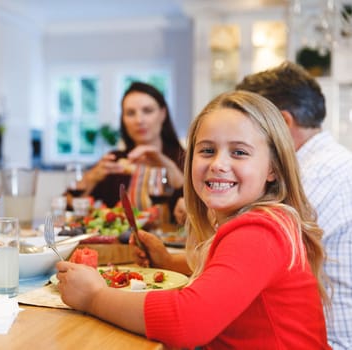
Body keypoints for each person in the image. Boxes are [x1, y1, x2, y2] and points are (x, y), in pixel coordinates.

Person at [55, 90, 330, 349]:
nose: (218, 164)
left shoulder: (259, 232)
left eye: (239, 152)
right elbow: (227, 273)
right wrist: (168, 262)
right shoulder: (265, 221)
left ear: (273, 168)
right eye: (207, 150)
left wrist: (94, 297)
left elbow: (188, 321)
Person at [236, 61, 352, 350]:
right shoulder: (333, 161)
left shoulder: (312, 176)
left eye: (247, 126)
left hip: (330, 341)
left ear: (284, 123)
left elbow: (248, 258)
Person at [80, 81, 185, 219]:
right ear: (123, 119)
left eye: (147, 111)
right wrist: (91, 178)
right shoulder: (114, 162)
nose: (139, 120)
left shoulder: (186, 158)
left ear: (163, 114)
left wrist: (168, 166)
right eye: (130, 113)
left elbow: (201, 210)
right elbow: (69, 204)